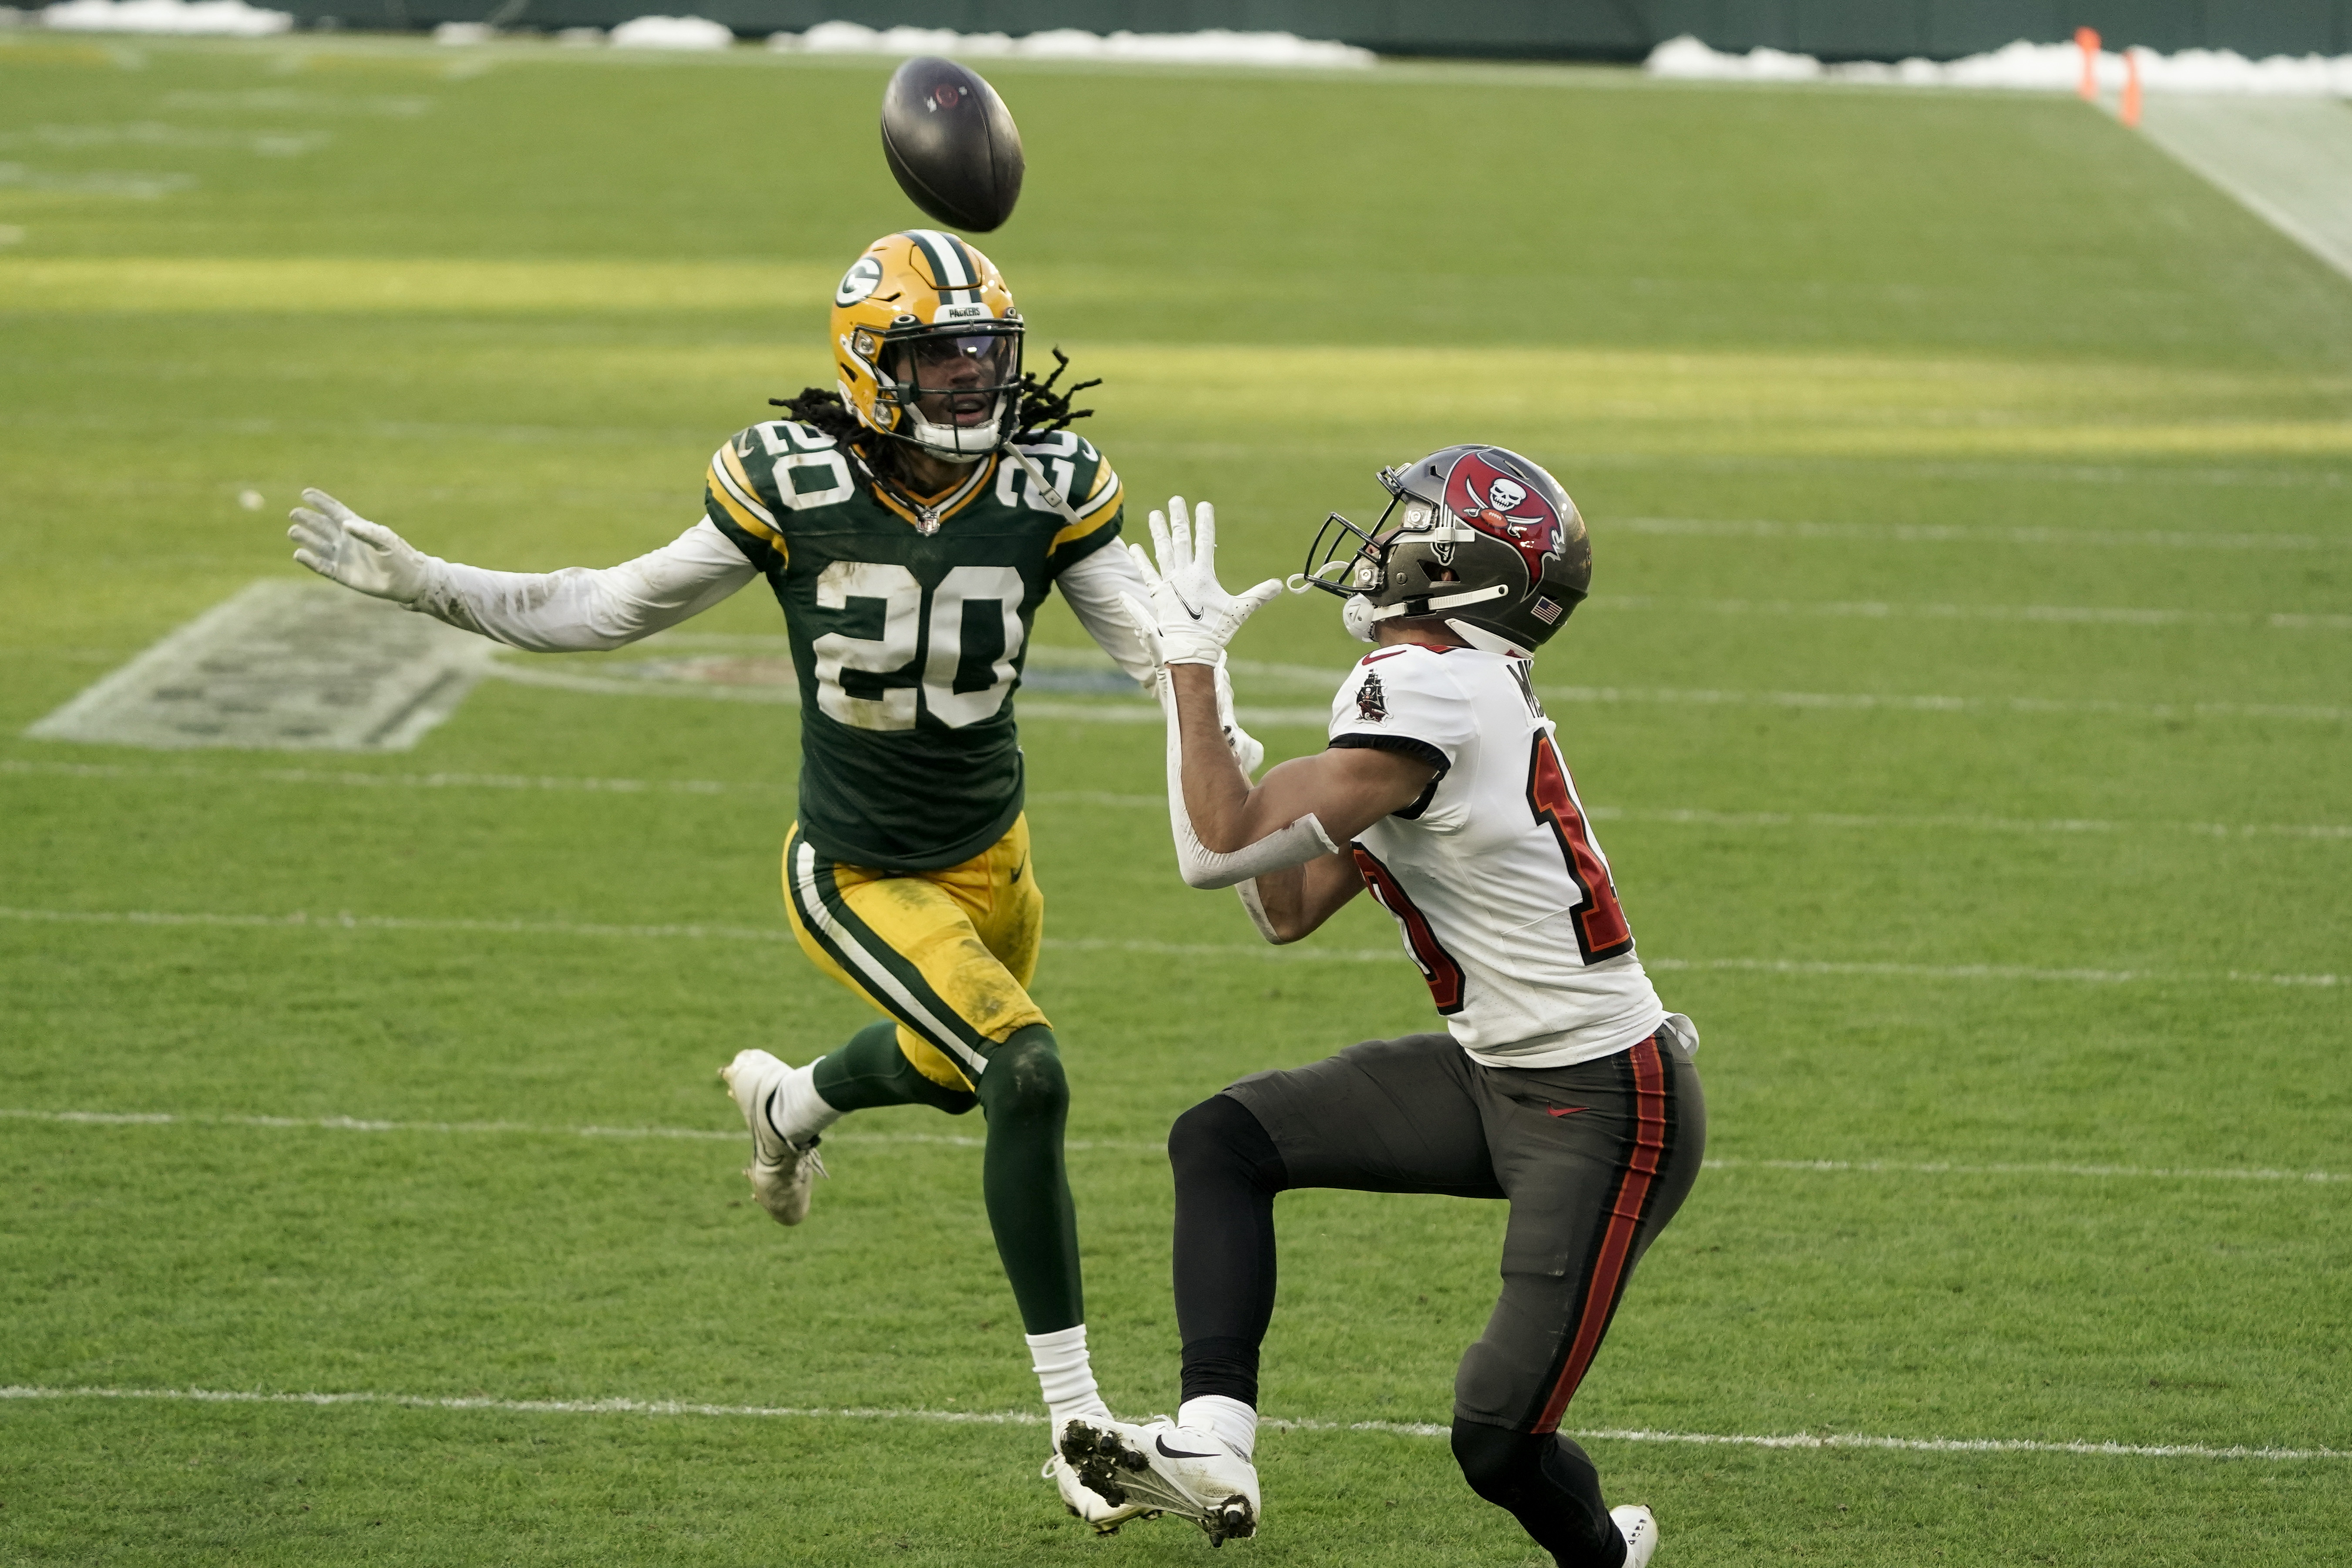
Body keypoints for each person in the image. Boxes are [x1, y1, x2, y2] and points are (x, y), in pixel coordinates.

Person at [285, 228, 1262, 1534]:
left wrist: (1204, 680)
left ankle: (789, 1105)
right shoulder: (788, 483)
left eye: (986, 353)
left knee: (941, 1066)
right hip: (856, 868)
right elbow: (603, 607)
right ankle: (1077, 1423)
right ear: (872, 369)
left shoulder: (1053, 482)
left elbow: (1155, 655)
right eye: (942, 356)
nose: (975, 380)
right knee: (1021, 1069)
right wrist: (430, 585)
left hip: (996, 856)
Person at [1058, 451, 1706, 1568]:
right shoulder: (1445, 686)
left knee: (1496, 1439)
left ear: (1465, 568)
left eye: (1413, 524)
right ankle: (1213, 1440)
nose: (1380, 539)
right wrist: (1210, 722)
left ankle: (1605, 1553)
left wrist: (1188, 666)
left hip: (1602, 1102)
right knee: (1223, 1139)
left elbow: (1214, 850)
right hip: (1491, 1069)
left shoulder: (1431, 686)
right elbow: (1284, 904)